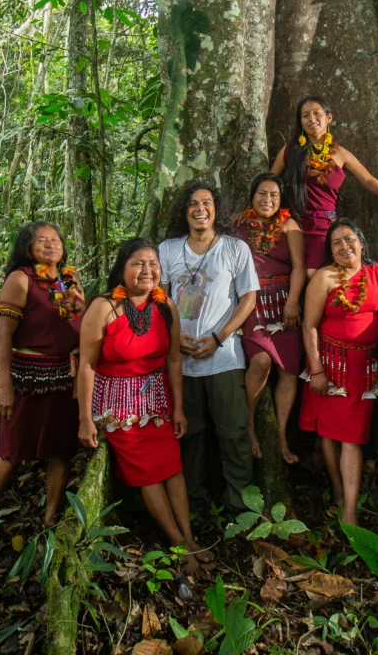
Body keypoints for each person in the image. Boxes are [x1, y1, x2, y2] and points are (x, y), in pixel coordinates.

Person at [76, 238, 213, 574]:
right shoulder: (103, 307)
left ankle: (190, 536)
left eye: (153, 264)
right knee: (148, 473)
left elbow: (174, 361)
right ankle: (176, 542)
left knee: (173, 468)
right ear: (122, 269)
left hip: (156, 401)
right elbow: (87, 366)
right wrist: (84, 420)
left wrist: (178, 408)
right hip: (115, 406)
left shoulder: (166, 308)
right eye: (138, 263)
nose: (148, 271)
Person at [299, 218, 378, 525]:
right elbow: (309, 325)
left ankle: (347, 508)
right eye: (336, 243)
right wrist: (316, 370)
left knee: (351, 437)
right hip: (330, 365)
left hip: (363, 370)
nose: (344, 246)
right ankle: (342, 499)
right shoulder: (325, 278)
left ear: (362, 243)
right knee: (329, 432)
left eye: (349, 239)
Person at [0, 222, 86, 533]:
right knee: (10, 452)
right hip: (28, 378)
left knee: (61, 450)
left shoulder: (68, 278)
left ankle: (50, 517)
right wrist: (4, 387)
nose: (51, 245)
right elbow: (3, 335)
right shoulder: (20, 279)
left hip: (67, 378)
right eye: (42, 240)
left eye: (55, 240)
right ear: (28, 247)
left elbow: (82, 321)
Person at [158, 181, 260, 511]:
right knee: (190, 435)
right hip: (181, 361)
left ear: (216, 208)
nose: (200, 208)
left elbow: (248, 298)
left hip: (225, 359)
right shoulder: (169, 249)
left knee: (233, 434)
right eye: (192, 203)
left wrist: (219, 338)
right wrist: (174, 336)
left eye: (207, 202)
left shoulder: (234, 248)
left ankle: (239, 508)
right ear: (183, 211)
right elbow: (158, 297)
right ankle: (193, 503)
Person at [271, 96, 378, 272]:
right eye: (305, 116)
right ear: (301, 122)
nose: (311, 119)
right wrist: (250, 211)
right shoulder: (290, 151)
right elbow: (268, 184)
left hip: (323, 227)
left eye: (316, 113)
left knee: (315, 274)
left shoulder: (340, 154)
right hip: (292, 224)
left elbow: (369, 181)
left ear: (329, 118)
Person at [233, 173, 307, 463]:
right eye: (262, 193)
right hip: (253, 302)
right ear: (252, 196)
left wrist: (292, 303)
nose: (268, 200)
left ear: (281, 199)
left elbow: (299, 267)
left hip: (284, 302)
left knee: (289, 371)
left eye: (274, 195)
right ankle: (249, 425)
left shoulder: (290, 226)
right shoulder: (239, 224)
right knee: (261, 360)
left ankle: (281, 436)